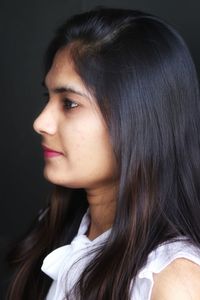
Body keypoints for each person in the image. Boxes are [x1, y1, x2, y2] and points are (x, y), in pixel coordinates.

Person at [6, 7, 200, 300]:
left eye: (69, 103)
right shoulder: (61, 229)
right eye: (49, 97)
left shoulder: (171, 280)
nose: (40, 123)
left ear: (137, 119)